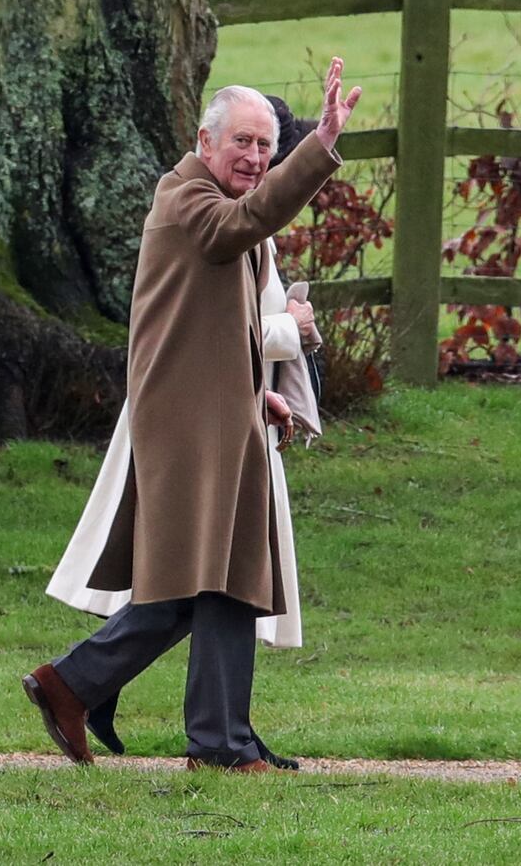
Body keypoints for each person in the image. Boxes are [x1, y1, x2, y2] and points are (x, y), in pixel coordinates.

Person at [23, 60, 361, 773]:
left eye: (268, 146)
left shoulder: (204, 204)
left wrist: (255, 391)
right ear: (205, 144)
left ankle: (103, 696)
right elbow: (247, 222)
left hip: (213, 415)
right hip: (188, 427)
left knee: (218, 582)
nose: (256, 158)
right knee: (216, 579)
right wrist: (321, 144)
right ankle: (196, 734)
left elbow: (215, 328)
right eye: (243, 142)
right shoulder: (189, 201)